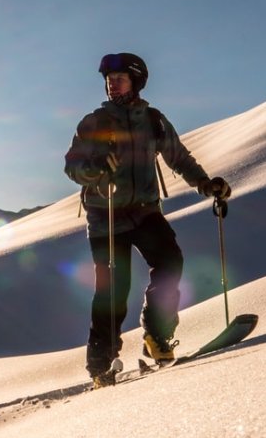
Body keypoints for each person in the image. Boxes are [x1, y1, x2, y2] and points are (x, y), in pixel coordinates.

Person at [64, 52, 231, 382]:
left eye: (120, 79)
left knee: (170, 261)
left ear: (136, 81)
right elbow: (72, 167)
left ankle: (157, 335)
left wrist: (205, 184)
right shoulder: (93, 123)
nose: (113, 84)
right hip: (105, 215)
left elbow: (178, 157)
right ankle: (101, 364)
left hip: (144, 210)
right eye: (109, 80)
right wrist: (93, 168)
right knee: (112, 289)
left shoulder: (152, 120)